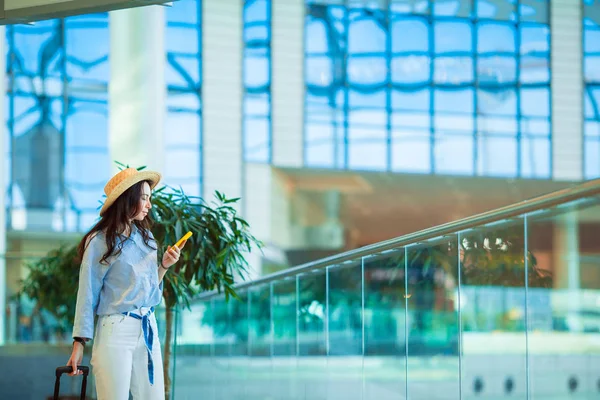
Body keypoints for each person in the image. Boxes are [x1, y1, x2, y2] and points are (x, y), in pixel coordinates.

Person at [66, 168, 186, 400]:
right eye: (144, 198)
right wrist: (79, 343)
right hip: (115, 329)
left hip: (148, 327)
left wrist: (163, 266)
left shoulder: (147, 238)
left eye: (149, 198)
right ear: (127, 199)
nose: (149, 205)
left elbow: (148, 289)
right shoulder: (101, 241)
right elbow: (87, 293)